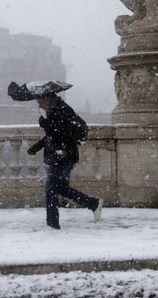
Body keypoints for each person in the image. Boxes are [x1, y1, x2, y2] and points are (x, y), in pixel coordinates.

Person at [27, 91, 103, 230]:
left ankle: (52, 224)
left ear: (47, 97)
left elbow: (60, 134)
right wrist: (36, 147)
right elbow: (53, 135)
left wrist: (45, 124)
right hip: (62, 154)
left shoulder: (60, 109)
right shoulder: (56, 109)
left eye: (39, 101)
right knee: (60, 188)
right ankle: (93, 203)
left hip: (64, 155)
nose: (39, 104)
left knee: (51, 189)